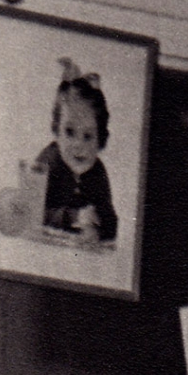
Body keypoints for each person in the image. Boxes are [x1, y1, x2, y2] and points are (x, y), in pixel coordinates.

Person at [32, 58, 118, 243]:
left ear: (100, 140)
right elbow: (32, 212)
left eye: (88, 136)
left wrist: (96, 224)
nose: (79, 145)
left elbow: (111, 222)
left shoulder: (97, 171)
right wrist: (74, 217)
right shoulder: (48, 162)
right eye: (70, 132)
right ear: (56, 130)